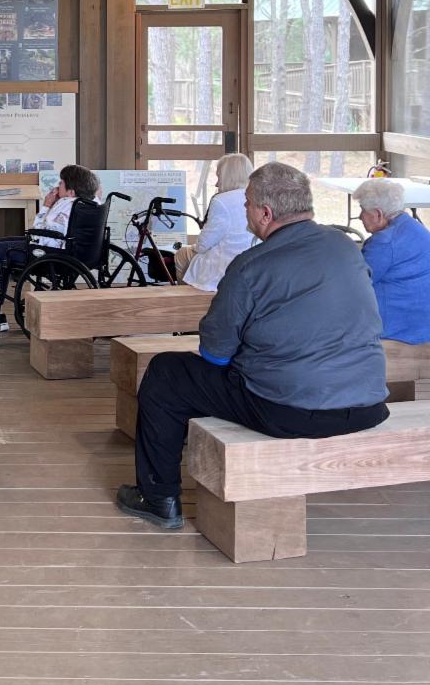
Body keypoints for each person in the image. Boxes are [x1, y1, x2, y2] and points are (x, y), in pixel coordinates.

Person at [117, 162, 389, 531]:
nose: (244, 209)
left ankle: (158, 497)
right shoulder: (347, 247)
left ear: (265, 213)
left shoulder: (250, 265)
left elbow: (214, 353)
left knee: (166, 372)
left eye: (246, 203)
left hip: (289, 409)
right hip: (368, 401)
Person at [0, 164, 100, 338]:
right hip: (68, 251)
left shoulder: (66, 205)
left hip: (48, 253)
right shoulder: (92, 202)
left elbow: (39, 233)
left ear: (71, 192)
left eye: (61, 183)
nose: (57, 186)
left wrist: (46, 206)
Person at [355, 178, 430, 344]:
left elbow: (356, 284)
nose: (360, 216)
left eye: (362, 210)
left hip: (398, 331)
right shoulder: (413, 226)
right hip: (423, 324)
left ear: (378, 214)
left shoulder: (384, 242)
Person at [172, 153, 255, 290]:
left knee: (182, 254)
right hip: (252, 261)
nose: (216, 183)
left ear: (229, 177)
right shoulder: (258, 197)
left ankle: (188, 297)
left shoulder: (221, 200)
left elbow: (203, 244)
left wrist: (195, 247)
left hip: (225, 264)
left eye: (219, 177)